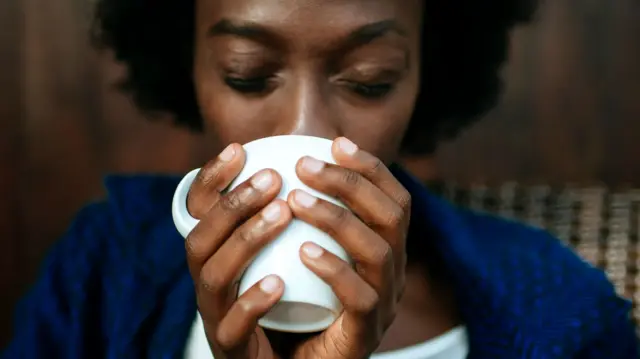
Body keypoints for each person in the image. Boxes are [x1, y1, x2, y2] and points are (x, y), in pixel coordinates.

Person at [3, 0, 638, 358]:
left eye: (369, 81)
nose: (305, 132)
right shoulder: (101, 270)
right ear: (187, 65)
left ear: (427, 78)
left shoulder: (561, 310)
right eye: (247, 74)